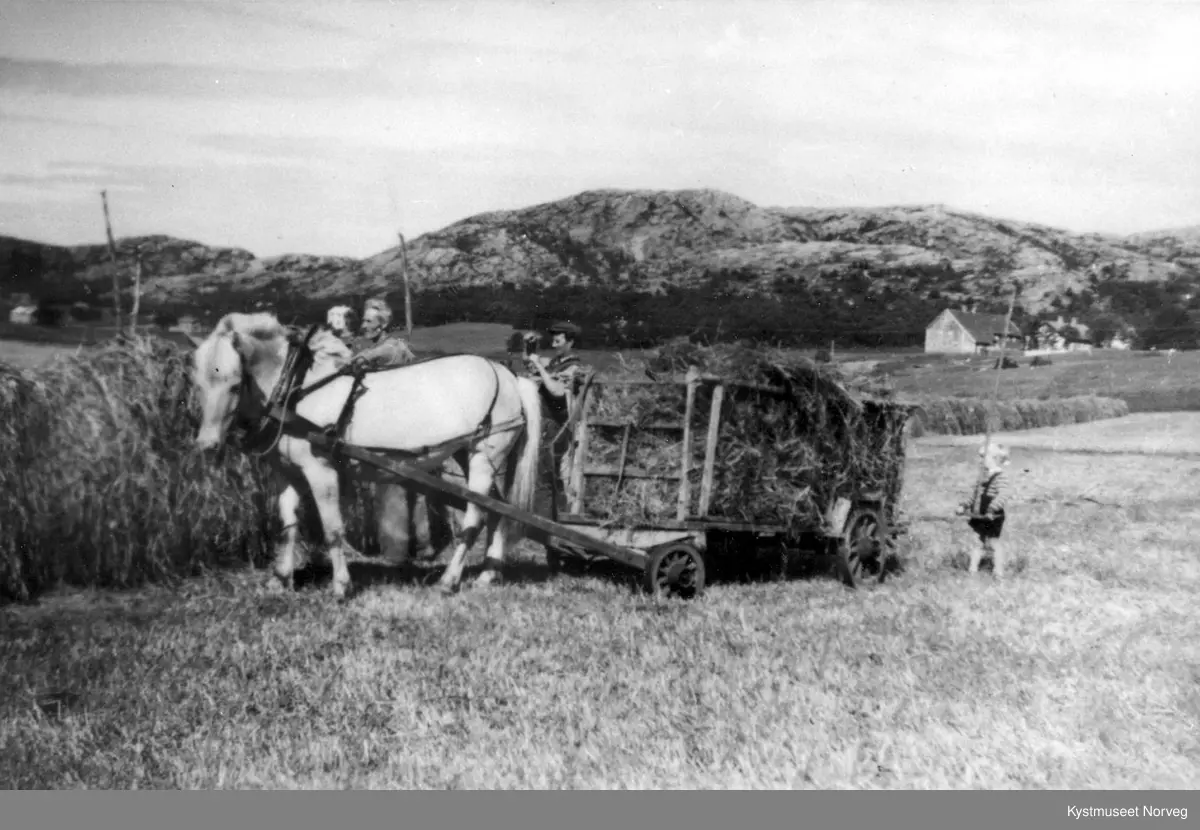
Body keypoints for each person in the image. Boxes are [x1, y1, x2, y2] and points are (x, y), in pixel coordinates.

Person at [523, 320, 593, 512]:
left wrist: (539, 366)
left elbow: (557, 391)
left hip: (558, 424)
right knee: (541, 470)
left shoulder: (574, 366)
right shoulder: (555, 363)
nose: (554, 340)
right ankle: (546, 513)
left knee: (552, 472)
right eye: (553, 335)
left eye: (559, 337)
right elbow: (530, 363)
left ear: (570, 341)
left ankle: (559, 514)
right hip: (544, 421)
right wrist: (530, 346)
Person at [955, 440, 1012, 578]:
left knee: (993, 543)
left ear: (993, 459)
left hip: (993, 516)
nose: (980, 461)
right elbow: (975, 496)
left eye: (983, 457)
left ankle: (998, 571)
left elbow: (1003, 494)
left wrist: (992, 508)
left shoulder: (1000, 477)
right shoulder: (982, 478)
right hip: (980, 515)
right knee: (977, 542)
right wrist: (964, 505)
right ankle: (972, 570)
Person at [349, 298, 415, 372]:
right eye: (364, 321)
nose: (363, 326)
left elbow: (382, 351)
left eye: (369, 321)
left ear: (383, 324)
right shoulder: (375, 346)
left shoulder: (391, 346)